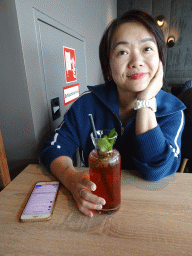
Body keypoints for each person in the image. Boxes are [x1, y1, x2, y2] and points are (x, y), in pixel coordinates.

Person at [40, 10, 186, 217]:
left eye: (147, 48)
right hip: (96, 209)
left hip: (151, 211)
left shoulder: (173, 112)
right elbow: (53, 147)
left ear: (160, 59)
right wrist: (72, 180)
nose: (136, 61)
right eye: (122, 52)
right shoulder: (86, 104)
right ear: (108, 65)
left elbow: (156, 170)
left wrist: (144, 103)